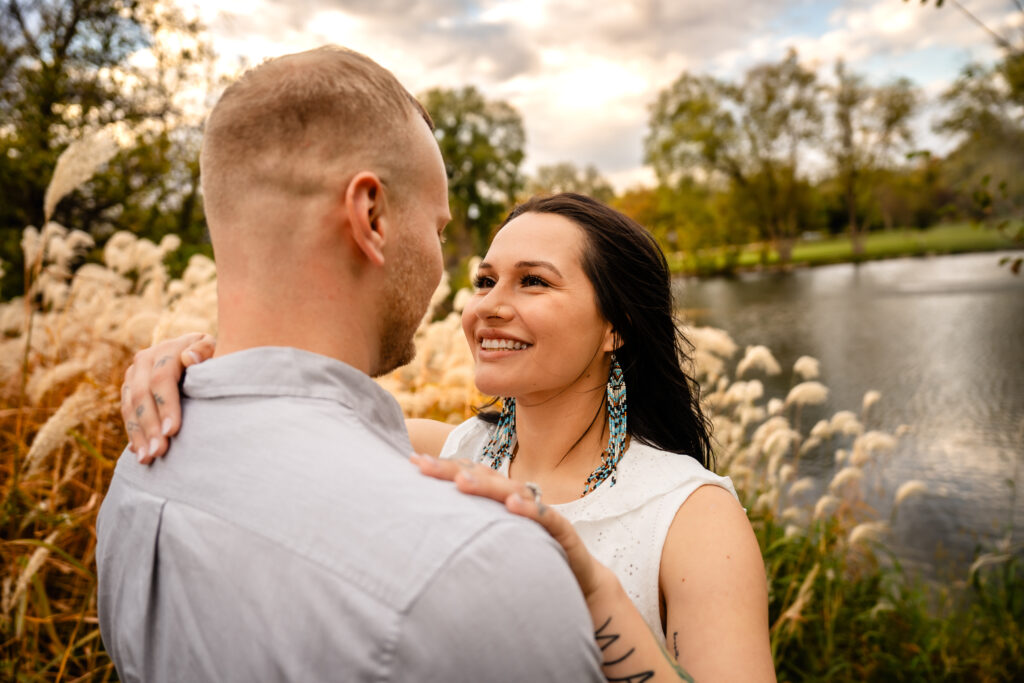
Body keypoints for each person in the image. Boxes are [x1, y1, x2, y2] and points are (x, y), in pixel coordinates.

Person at [96, 46, 606, 683]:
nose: (449, 270)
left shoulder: (137, 472)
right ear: (371, 217)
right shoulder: (479, 563)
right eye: (439, 228)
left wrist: (195, 357)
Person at [128, 193, 776, 680]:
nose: (488, 305)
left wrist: (591, 587)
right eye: (485, 280)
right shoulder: (444, 453)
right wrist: (188, 358)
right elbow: (283, 408)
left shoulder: (691, 516)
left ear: (618, 325)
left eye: (534, 280)